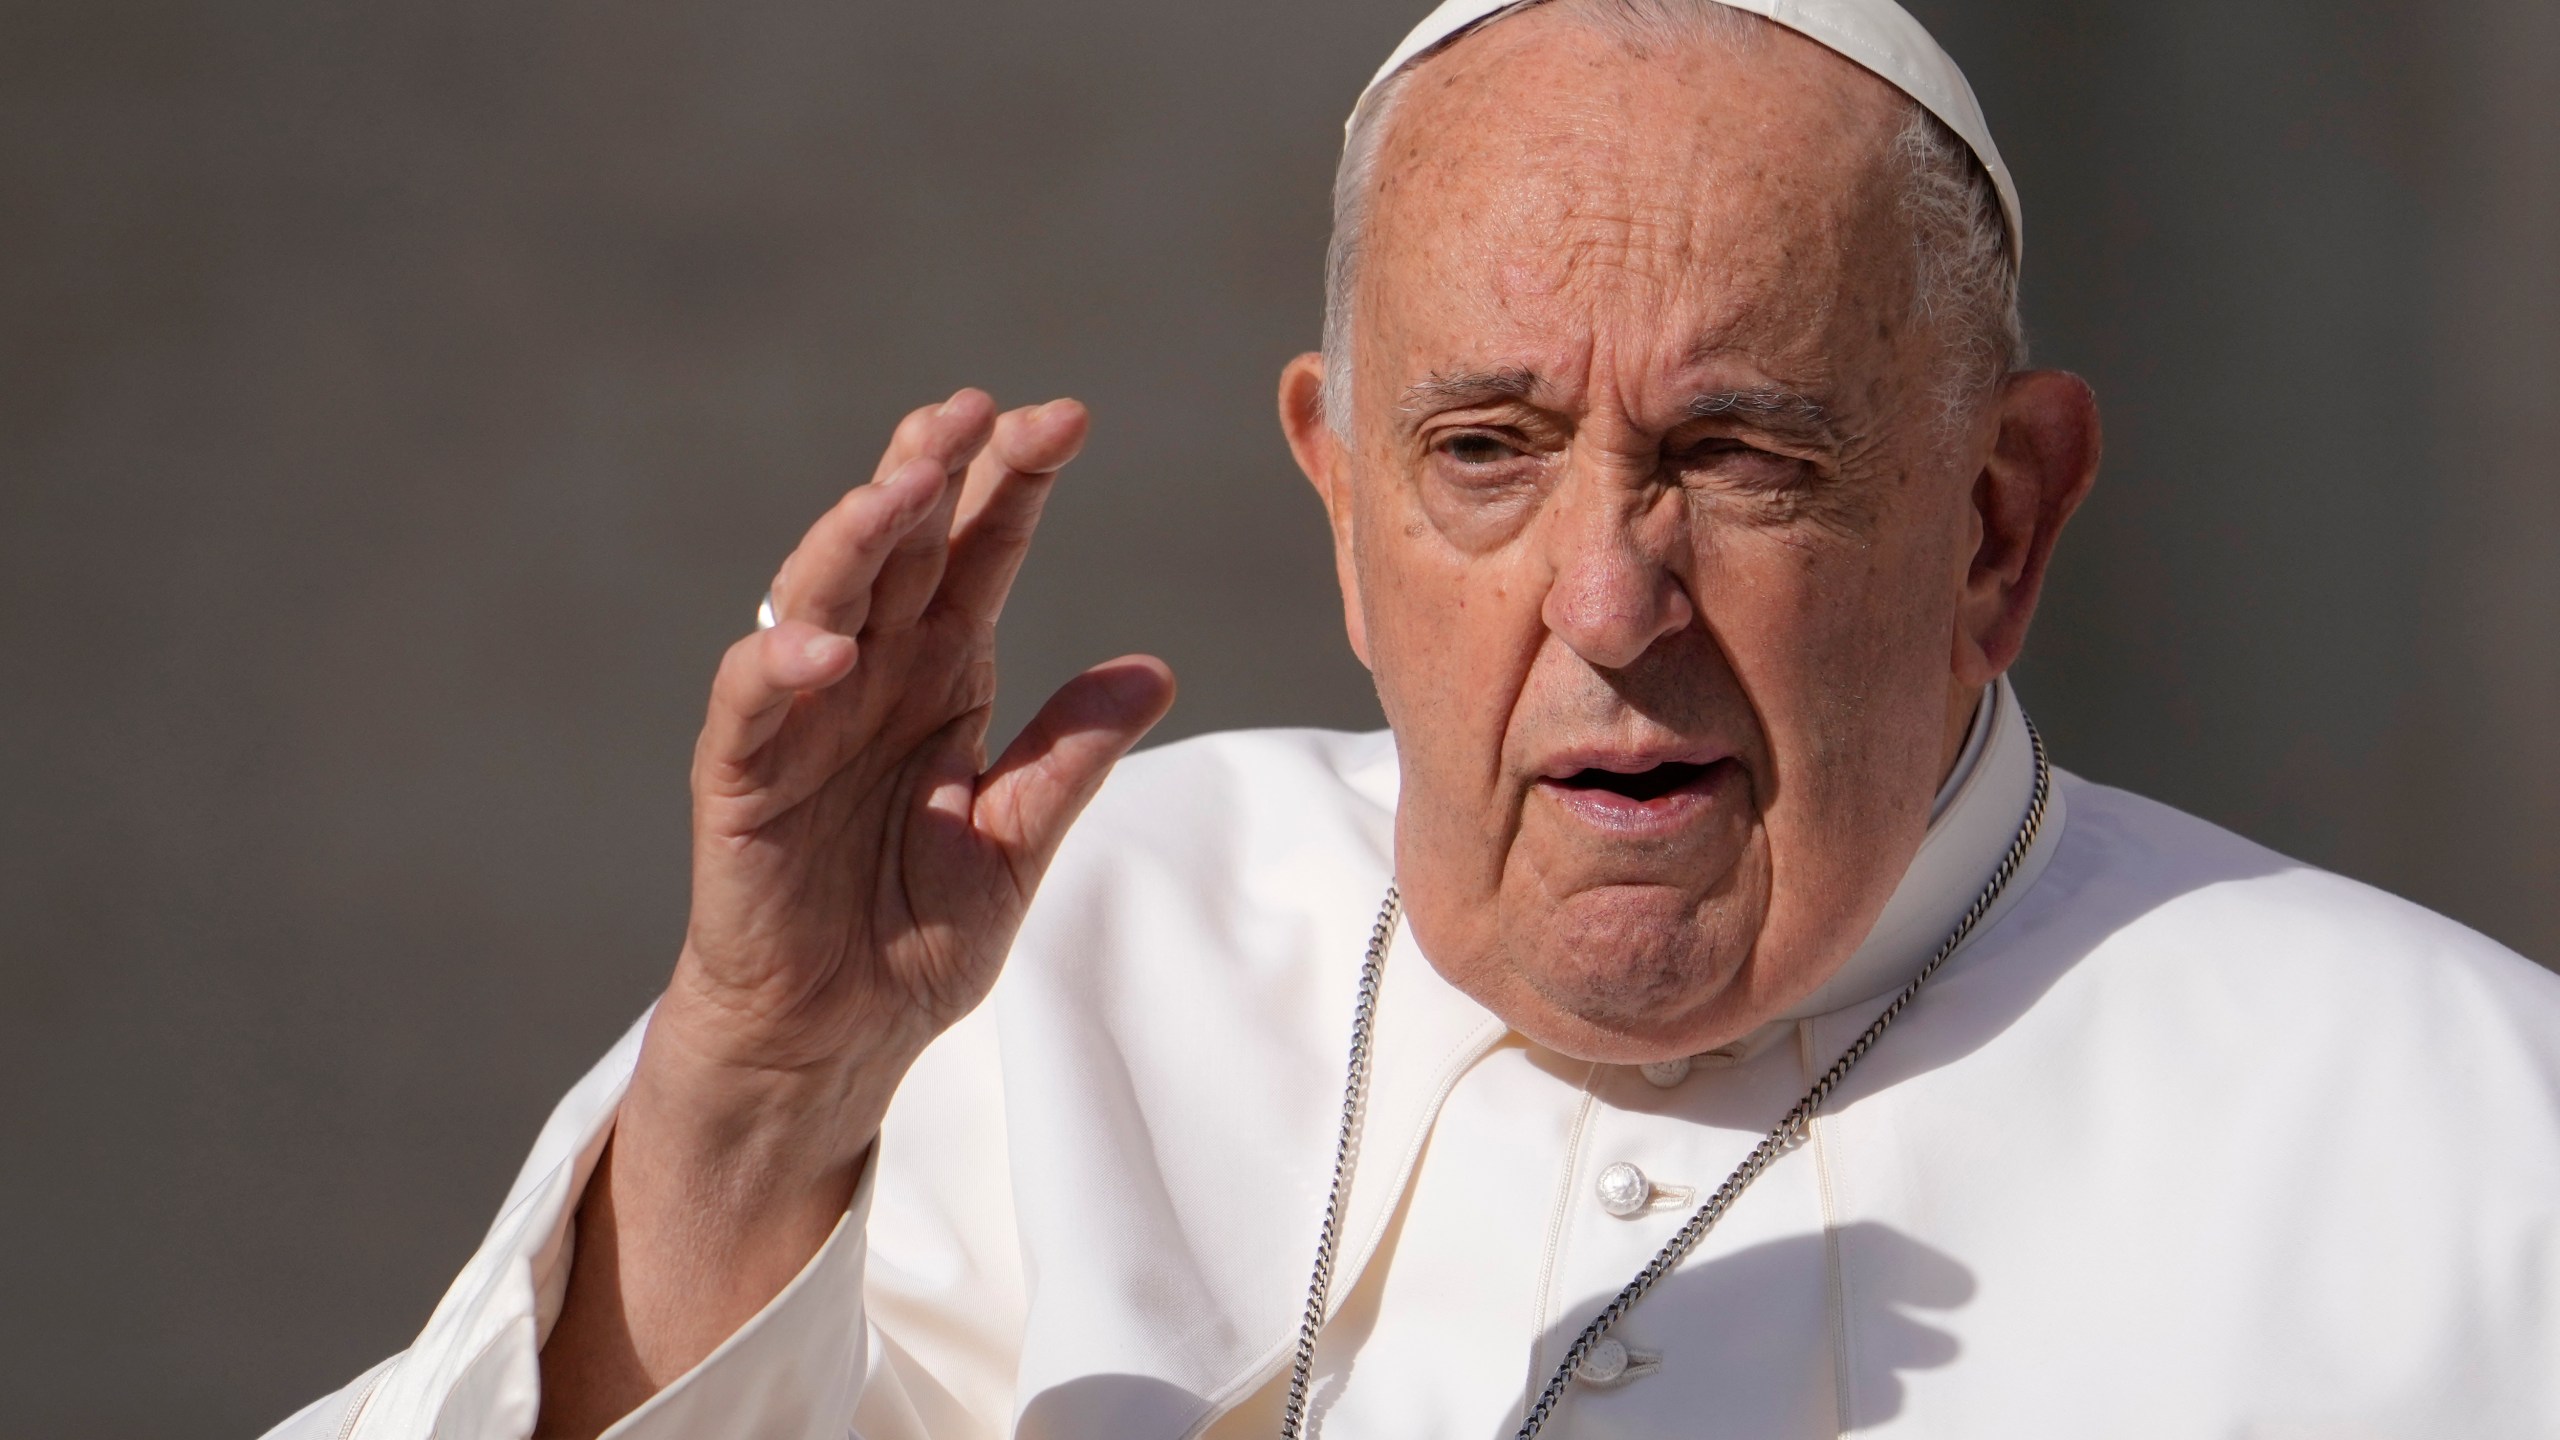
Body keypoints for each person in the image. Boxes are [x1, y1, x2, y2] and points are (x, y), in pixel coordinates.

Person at [268, 0, 2560, 1436]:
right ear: (1338, 505)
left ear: (1989, 526)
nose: (1603, 594)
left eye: (1738, 455)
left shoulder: (2465, 1140)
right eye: (1482, 450)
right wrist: (756, 1093)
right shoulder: (1021, 964)